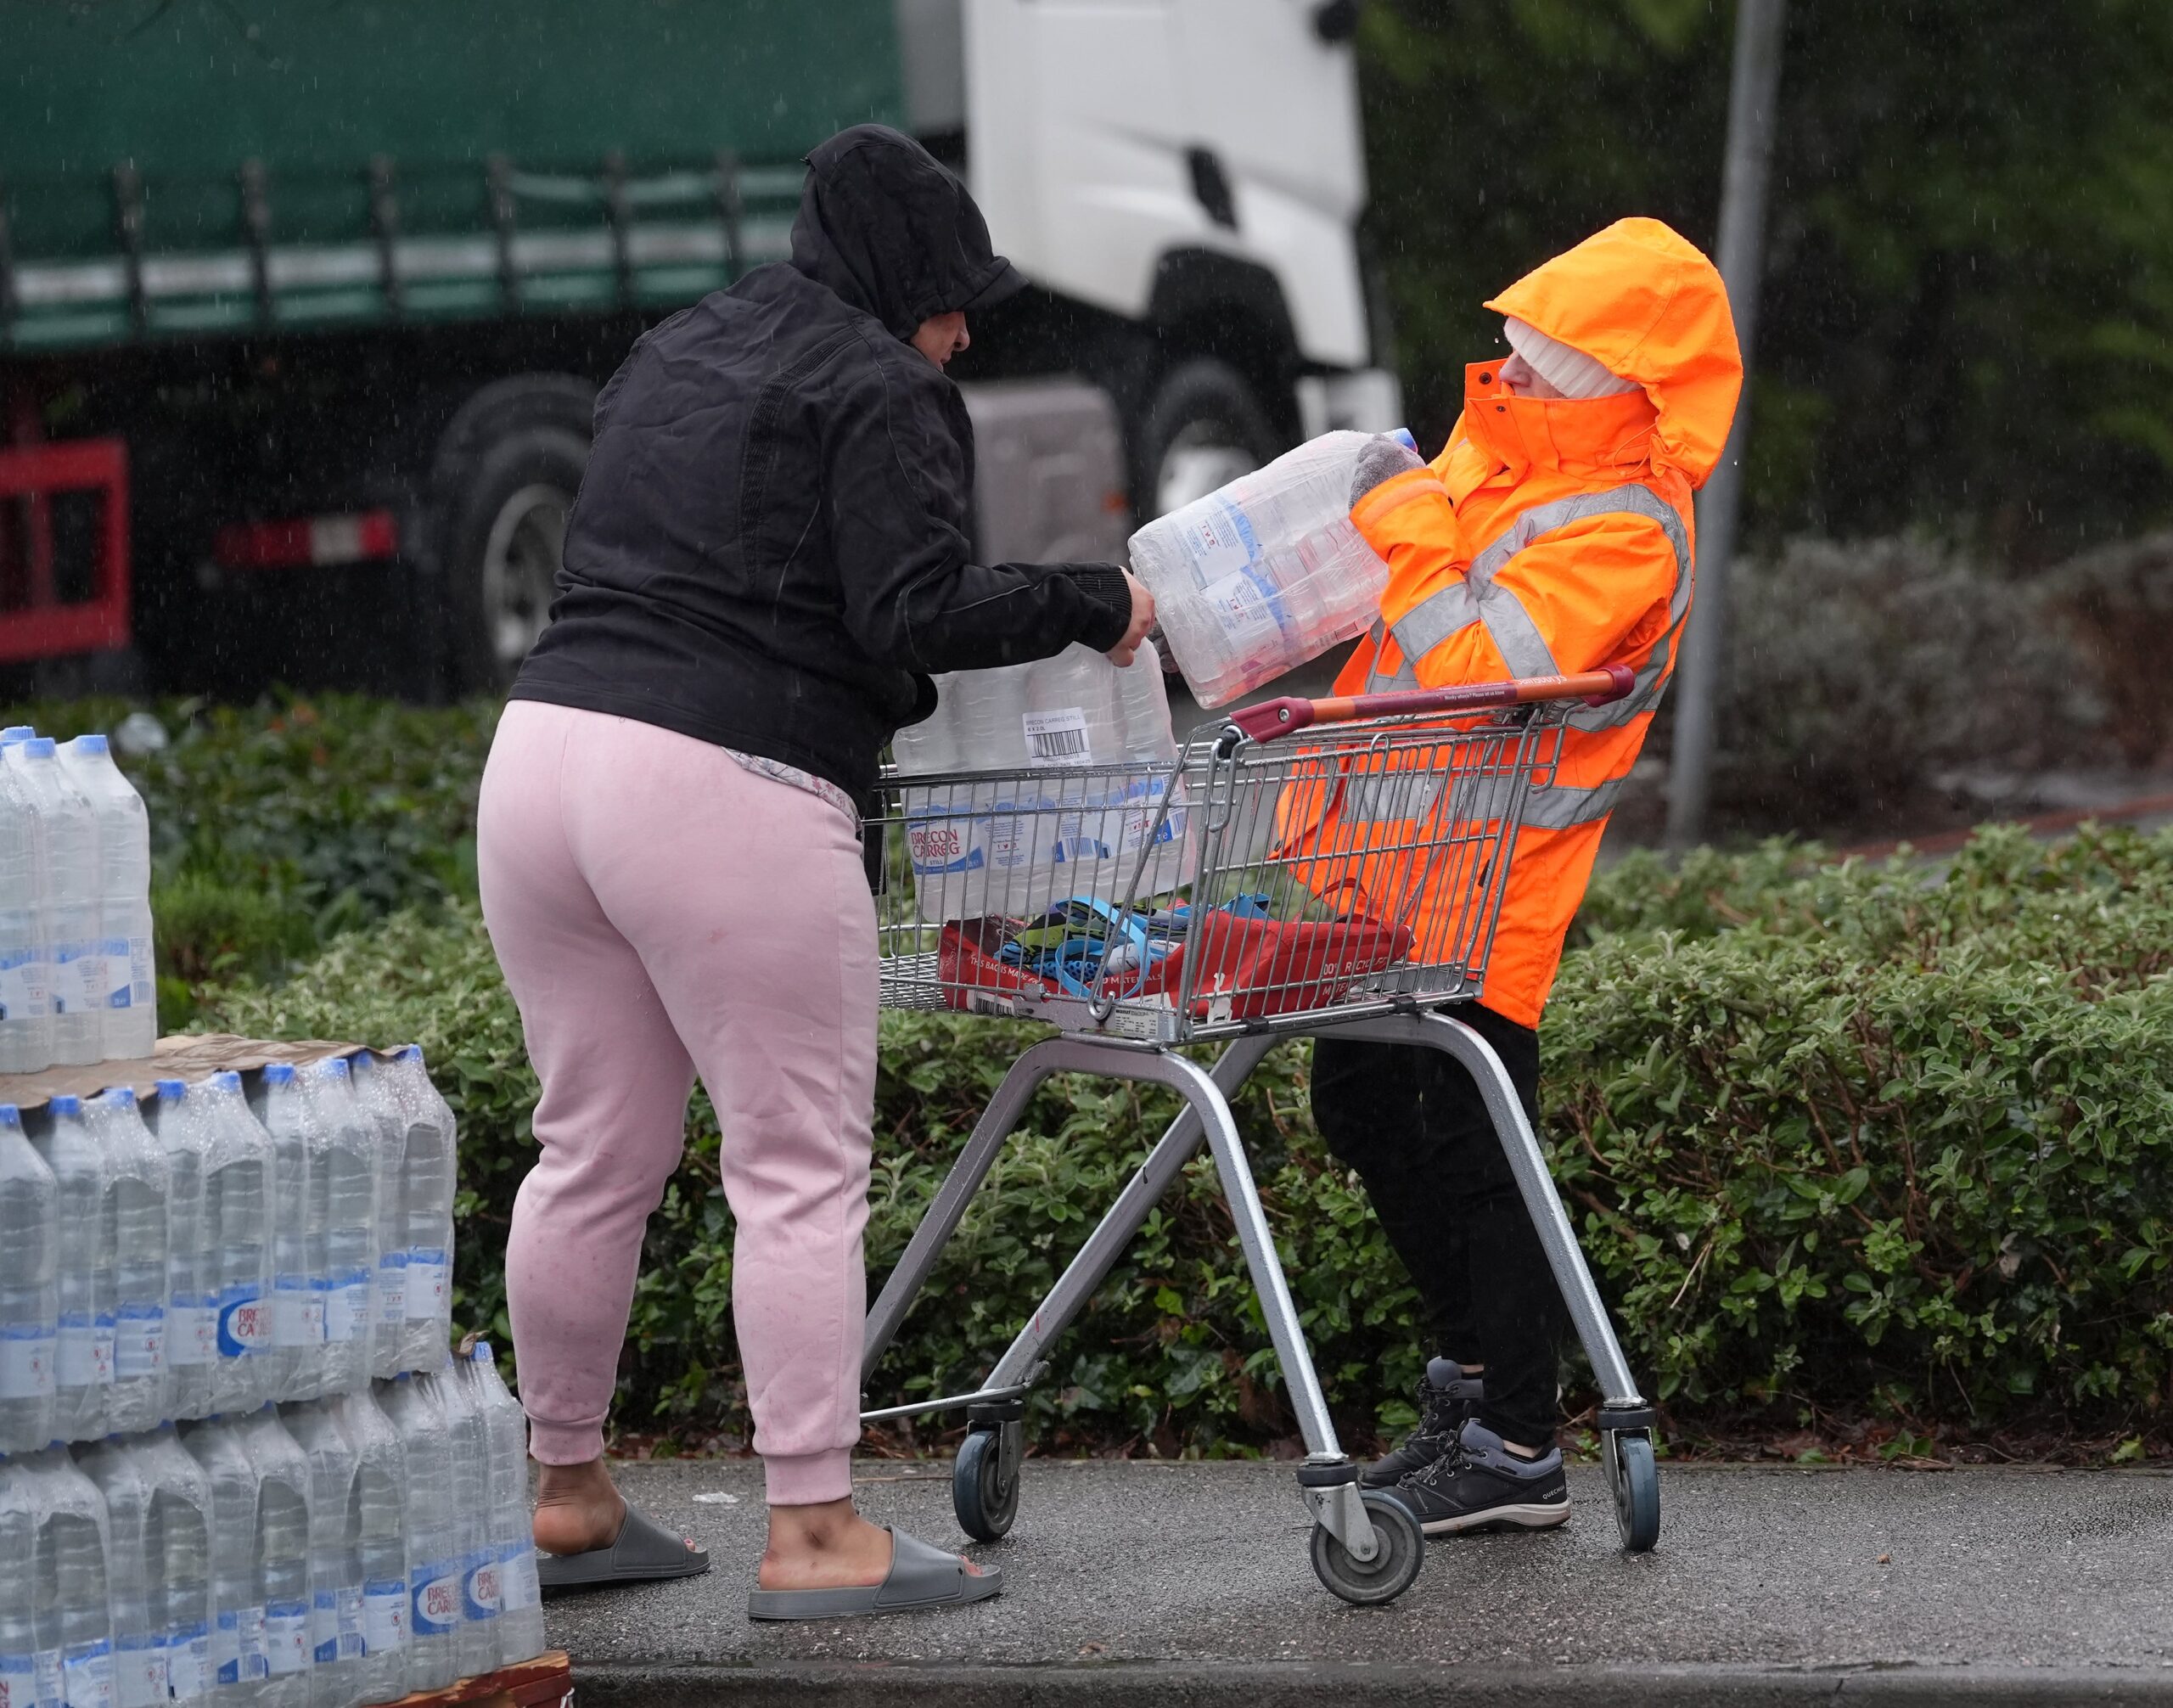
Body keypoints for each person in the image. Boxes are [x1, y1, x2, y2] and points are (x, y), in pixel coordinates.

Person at [475, 124, 1154, 1618]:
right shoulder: (884, 385)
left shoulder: (677, 348)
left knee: (589, 1153)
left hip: (539, 760)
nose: (965, 327)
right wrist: (1090, 601)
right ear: (902, 281)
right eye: (955, 295)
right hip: (720, 783)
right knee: (795, 1171)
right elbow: (911, 607)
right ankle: (813, 1532)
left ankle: (567, 1496)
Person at [1307, 217, 1741, 1537]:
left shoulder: (1626, 524)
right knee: (1365, 1105)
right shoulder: (1509, 457)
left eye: (1548, 360)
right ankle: (1479, 1387)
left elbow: (1482, 664)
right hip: (1400, 862)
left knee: (1483, 1144)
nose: (1516, 373)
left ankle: (1512, 1444)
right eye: (1520, 350)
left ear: (1618, 380)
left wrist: (1408, 521)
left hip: (1498, 877)